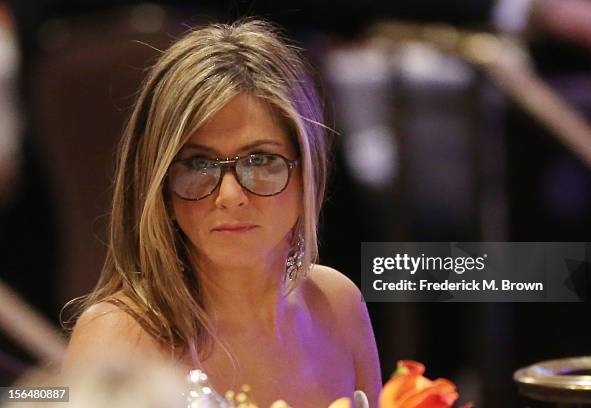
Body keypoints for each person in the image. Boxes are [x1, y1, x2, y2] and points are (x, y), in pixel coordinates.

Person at [61, 19, 382, 407]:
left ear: (308, 169)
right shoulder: (116, 337)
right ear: (159, 184)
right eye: (198, 164)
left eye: (261, 159)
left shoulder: (338, 303)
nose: (230, 195)